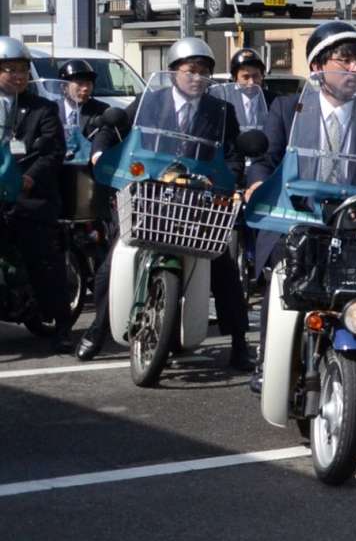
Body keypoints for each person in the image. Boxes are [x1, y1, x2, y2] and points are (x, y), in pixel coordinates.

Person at [246, 21, 356, 392]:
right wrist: (256, 181)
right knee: (283, 273)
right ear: (317, 67)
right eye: (345, 60)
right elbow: (266, 156)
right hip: (294, 218)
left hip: (354, 222)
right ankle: (268, 357)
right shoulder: (287, 108)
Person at [79, 38, 254, 369]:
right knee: (112, 263)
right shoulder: (151, 100)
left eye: (204, 72)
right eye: (191, 70)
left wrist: (229, 181)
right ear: (173, 72)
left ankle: (239, 341)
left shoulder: (221, 111)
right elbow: (113, 129)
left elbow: (232, 154)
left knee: (223, 266)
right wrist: (101, 152)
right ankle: (97, 329)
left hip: (198, 197)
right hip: (152, 195)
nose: (197, 78)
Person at [0, 36, 73, 353]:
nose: (17, 76)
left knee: (42, 258)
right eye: (9, 69)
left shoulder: (43, 108)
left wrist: (29, 179)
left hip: (30, 196)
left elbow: (53, 152)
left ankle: (62, 325)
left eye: (22, 69)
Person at [55, 59, 109, 148]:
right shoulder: (52, 110)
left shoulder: (101, 110)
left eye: (88, 84)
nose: (85, 88)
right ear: (64, 87)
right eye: (80, 83)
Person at [227, 47, 272, 129]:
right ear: (235, 78)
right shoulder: (227, 102)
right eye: (246, 77)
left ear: (262, 76)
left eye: (255, 76)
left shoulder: (274, 102)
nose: (251, 82)